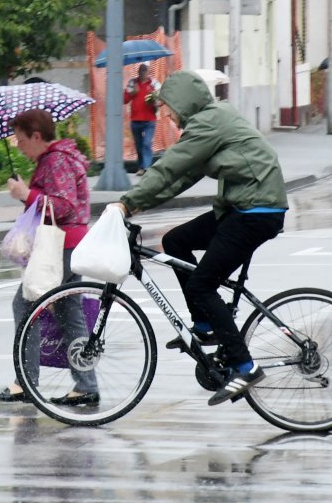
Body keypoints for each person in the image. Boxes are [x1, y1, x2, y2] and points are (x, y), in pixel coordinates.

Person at [108, 70, 288, 406]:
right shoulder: (210, 122)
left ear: (183, 103)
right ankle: (204, 325)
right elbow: (181, 177)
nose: (168, 116)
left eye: (169, 109)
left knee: (201, 285)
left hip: (255, 211)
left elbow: (170, 166)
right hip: (243, 206)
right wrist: (136, 207)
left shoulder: (209, 123)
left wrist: (126, 202)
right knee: (176, 241)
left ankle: (244, 366)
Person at [0, 108, 98, 406]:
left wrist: (27, 194)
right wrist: (30, 190)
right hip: (71, 243)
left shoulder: (55, 160)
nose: (19, 146)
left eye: (21, 139)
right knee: (70, 313)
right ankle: (86, 384)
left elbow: (63, 205)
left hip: (59, 245)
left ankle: (26, 381)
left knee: (25, 305)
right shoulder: (60, 157)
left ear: (37, 136)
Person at [124, 63, 161, 176]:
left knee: (146, 143)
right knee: (139, 145)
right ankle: (141, 166)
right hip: (135, 120)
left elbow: (161, 99)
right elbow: (124, 100)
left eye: (145, 71)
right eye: (141, 71)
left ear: (148, 72)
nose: (143, 73)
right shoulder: (132, 83)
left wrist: (156, 103)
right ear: (138, 72)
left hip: (150, 119)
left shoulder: (154, 84)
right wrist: (132, 93)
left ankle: (146, 167)